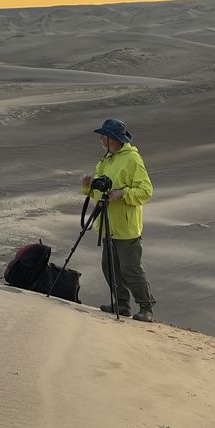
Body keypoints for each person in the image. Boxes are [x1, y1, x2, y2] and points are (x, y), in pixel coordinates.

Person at [81, 118, 155, 322]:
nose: (101, 140)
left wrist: (123, 194)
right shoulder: (106, 160)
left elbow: (146, 191)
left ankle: (146, 307)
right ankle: (121, 305)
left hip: (125, 225)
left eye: (103, 136)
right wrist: (88, 186)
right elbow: (99, 192)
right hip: (107, 224)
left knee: (130, 269)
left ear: (111, 138)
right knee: (110, 267)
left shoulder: (133, 160)